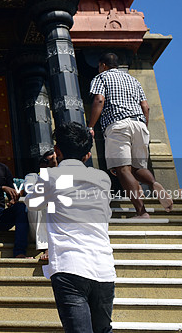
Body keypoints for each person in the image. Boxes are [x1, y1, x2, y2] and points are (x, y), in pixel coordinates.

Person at [26, 122, 115, 333]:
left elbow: (32, 202)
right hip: (103, 267)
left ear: (57, 151)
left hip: (70, 266)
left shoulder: (51, 177)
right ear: (87, 154)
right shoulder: (102, 179)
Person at [87, 52, 172, 217]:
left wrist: (90, 126)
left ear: (103, 65)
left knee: (123, 169)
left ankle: (141, 212)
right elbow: (146, 106)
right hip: (139, 124)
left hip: (118, 125)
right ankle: (154, 183)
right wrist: (143, 126)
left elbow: (99, 100)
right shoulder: (133, 80)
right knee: (136, 168)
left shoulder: (102, 77)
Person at [22, 149, 57, 261]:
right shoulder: (32, 176)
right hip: (35, 226)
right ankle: (47, 247)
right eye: (51, 161)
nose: (54, 164)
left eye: (56, 160)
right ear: (42, 164)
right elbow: (30, 190)